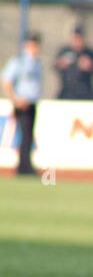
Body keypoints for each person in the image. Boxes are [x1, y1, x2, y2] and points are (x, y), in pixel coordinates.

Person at [3, 32, 43, 176]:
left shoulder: (37, 63)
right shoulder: (19, 62)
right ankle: (25, 168)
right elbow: (6, 81)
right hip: (22, 104)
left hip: (32, 103)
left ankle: (24, 166)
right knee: (25, 135)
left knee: (28, 136)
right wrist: (14, 99)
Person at [54, 26, 93, 100]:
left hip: (86, 94)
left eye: (79, 39)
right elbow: (55, 65)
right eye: (75, 39)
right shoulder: (65, 52)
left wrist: (91, 66)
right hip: (67, 93)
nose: (77, 42)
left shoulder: (90, 53)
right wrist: (61, 64)